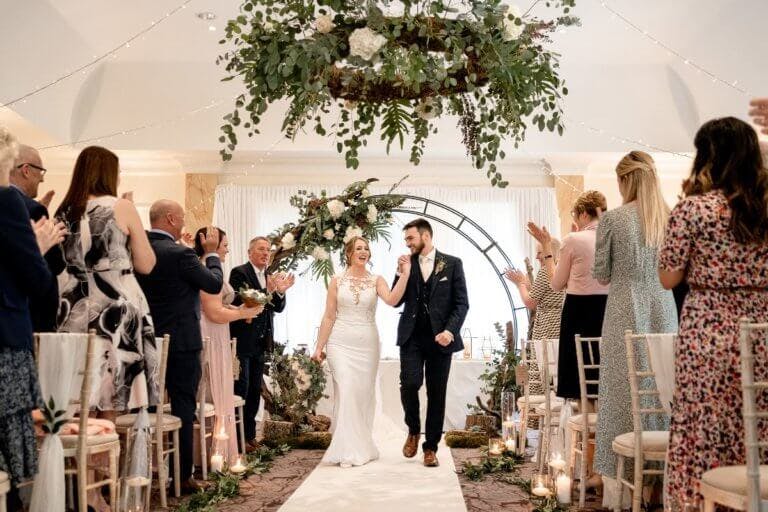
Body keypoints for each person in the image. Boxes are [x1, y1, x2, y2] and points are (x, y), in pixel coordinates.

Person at [658, 117, 768, 507]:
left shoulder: (693, 209)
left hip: (708, 329)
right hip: (762, 328)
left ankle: (699, 499)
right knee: (757, 419)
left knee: (703, 421)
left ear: (707, 156)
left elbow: (668, 277)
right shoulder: (764, 208)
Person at [591, 151, 677, 491]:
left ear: (625, 180)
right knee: (662, 387)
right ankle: (660, 479)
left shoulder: (613, 219)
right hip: (664, 308)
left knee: (622, 390)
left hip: (624, 309)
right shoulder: (670, 217)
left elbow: (602, 274)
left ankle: (622, 479)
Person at [55, 146, 159, 416]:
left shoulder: (64, 210)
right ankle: (105, 442)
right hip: (114, 303)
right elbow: (146, 264)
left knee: (75, 395)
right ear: (109, 173)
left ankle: (78, 442)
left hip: (71, 305)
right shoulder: (121, 206)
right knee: (112, 394)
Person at [136, 200, 224, 493]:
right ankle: (182, 477)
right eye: (182, 217)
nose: (184, 223)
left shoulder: (138, 249)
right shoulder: (180, 254)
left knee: (146, 407)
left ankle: (142, 471)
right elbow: (213, 284)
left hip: (146, 341)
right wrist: (211, 253)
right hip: (182, 342)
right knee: (183, 406)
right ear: (171, 218)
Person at [0, 127, 65, 511]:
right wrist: (38, 248)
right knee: (8, 455)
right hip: (6, 339)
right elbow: (38, 280)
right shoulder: (9, 200)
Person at [311, 237, 410, 467]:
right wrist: (319, 347)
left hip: (367, 345)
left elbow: (392, 299)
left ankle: (361, 445)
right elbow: (329, 316)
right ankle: (346, 449)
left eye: (366, 248)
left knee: (362, 395)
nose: (363, 251)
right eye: (358, 248)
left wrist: (404, 275)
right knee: (346, 389)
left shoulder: (377, 280)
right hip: (339, 343)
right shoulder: (336, 280)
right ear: (349, 253)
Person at [392, 218, 469, 467]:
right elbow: (396, 299)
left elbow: (461, 303)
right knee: (409, 384)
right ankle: (413, 430)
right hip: (411, 337)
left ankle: (431, 447)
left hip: (441, 339)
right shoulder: (406, 264)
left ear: (425, 236)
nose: (407, 243)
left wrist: (450, 331)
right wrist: (400, 273)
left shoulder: (453, 263)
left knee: (437, 393)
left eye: (410, 238)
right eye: (406, 239)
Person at [528, 191, 609, 402]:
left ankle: (584, 420)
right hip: (608, 309)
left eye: (574, 214)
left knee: (580, 380)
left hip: (579, 310)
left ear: (583, 214)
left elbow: (556, 283)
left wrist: (547, 249)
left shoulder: (573, 240)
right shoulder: (612, 236)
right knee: (603, 373)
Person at [195, 226, 263, 465]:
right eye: (225, 245)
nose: (227, 250)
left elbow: (220, 305)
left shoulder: (210, 267)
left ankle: (217, 451)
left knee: (220, 390)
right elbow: (213, 312)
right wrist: (242, 313)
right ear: (212, 245)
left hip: (219, 333)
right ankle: (205, 454)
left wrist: (239, 309)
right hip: (210, 334)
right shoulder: (205, 268)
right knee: (210, 391)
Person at [229, 236, 294, 451]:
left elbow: (277, 308)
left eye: (268, 250)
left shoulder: (268, 276)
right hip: (242, 341)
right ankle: (238, 439)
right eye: (261, 249)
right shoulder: (239, 273)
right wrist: (269, 291)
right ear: (250, 252)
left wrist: (280, 291)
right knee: (242, 388)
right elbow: (243, 301)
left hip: (261, 343)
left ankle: (250, 436)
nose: (266, 253)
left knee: (255, 389)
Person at [9, 144, 65, 332]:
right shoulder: (33, 210)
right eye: (40, 171)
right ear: (26, 170)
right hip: (31, 310)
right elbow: (56, 264)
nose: (42, 178)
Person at [505, 239, 565, 341]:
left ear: (549, 252)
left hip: (549, 328)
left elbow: (530, 303)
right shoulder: (561, 269)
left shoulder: (545, 271)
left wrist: (520, 284)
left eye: (539, 253)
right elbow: (547, 296)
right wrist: (527, 285)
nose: (536, 257)